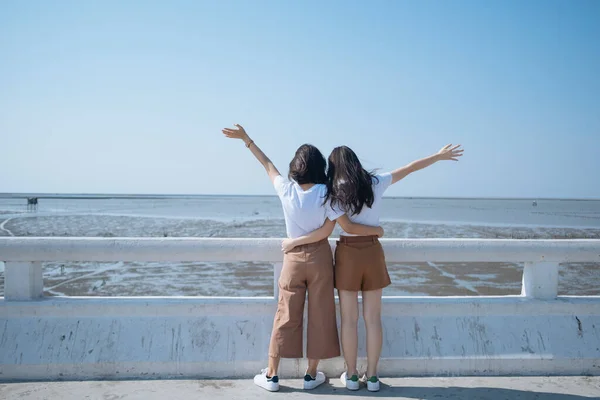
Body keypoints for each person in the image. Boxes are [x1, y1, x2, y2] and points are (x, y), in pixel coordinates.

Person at [282, 144, 463, 391]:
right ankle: (374, 377)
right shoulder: (376, 182)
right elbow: (409, 169)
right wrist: (438, 156)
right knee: (373, 319)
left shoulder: (333, 191)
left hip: (348, 255)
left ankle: (353, 376)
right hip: (373, 253)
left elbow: (347, 227)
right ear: (356, 162)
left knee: (349, 320)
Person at [221, 124, 384, 392]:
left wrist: (247, 140)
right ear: (320, 168)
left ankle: (272, 375)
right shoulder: (327, 193)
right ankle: (310, 375)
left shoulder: (286, 190)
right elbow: (329, 229)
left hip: (293, 260)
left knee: (285, 314)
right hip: (320, 258)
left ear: (295, 168)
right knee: (321, 314)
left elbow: (267, 163)